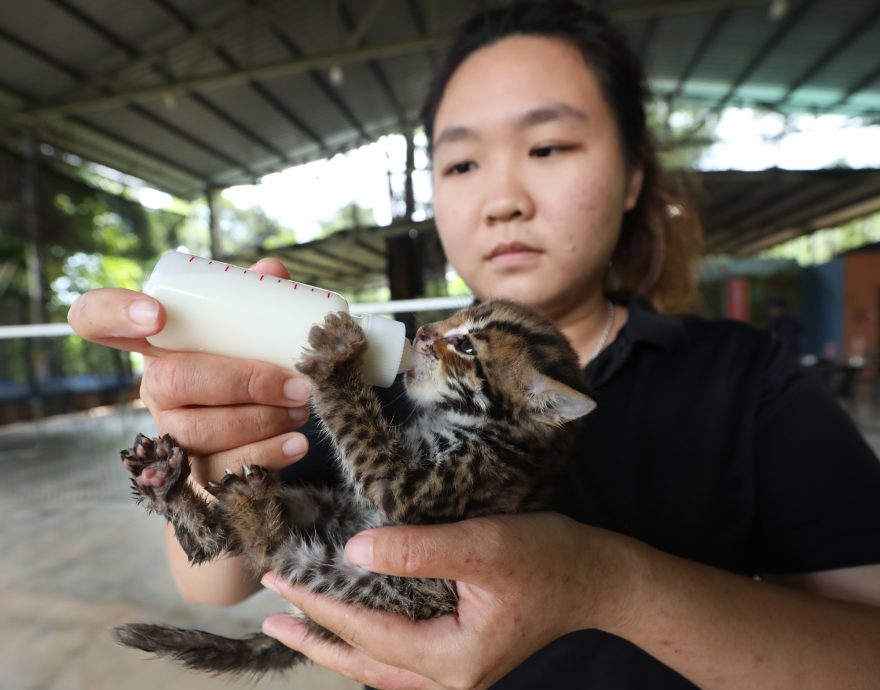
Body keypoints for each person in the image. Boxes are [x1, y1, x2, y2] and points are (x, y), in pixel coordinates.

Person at [68, 3, 880, 688]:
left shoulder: (747, 381)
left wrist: (611, 584)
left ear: (635, 175)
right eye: (460, 162)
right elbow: (220, 580)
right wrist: (199, 456)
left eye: (549, 146)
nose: (501, 199)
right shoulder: (386, 359)